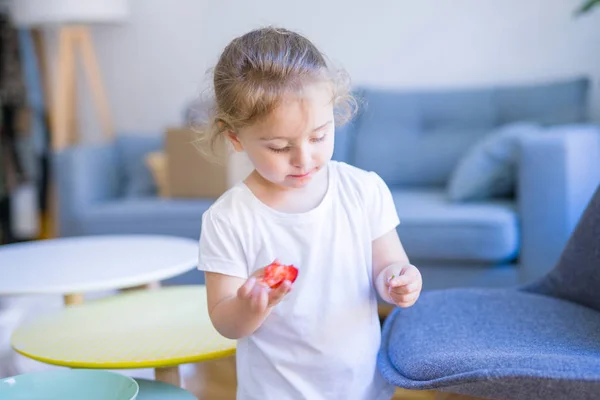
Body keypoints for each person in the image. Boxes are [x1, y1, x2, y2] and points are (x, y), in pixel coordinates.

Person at [196, 26, 423, 400]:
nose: (304, 159)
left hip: (361, 387)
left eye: (318, 136)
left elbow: (389, 267)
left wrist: (399, 280)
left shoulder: (363, 190)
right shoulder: (228, 218)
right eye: (279, 147)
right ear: (235, 137)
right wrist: (249, 306)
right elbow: (224, 321)